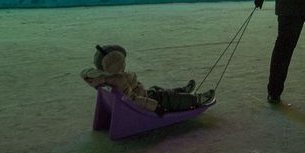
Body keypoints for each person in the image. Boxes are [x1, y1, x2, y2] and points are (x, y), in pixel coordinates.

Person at [81, 44, 214, 113]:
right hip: (145, 102)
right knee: (167, 99)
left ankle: (182, 91)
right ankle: (196, 99)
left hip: (143, 94)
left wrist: (99, 71)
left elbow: (84, 73)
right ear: (118, 64)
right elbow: (133, 100)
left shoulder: (103, 78)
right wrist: (156, 108)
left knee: (157, 90)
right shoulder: (119, 81)